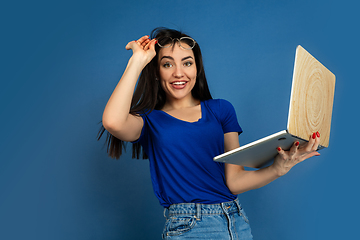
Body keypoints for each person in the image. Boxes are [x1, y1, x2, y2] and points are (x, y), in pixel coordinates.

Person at [99, 27, 321, 240]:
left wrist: (277, 168)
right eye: (167, 64)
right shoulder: (150, 120)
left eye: (187, 63)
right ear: (156, 72)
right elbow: (113, 122)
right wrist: (137, 61)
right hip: (189, 227)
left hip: (236, 222)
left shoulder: (221, 110)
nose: (179, 73)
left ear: (197, 69)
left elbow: (234, 181)